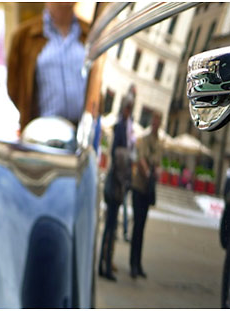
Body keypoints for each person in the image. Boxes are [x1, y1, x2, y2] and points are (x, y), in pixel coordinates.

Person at [7, 3, 89, 131]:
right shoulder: (24, 36)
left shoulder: (89, 32)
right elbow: (14, 87)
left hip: (84, 131)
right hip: (43, 133)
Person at [98, 88, 135, 281]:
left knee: (111, 226)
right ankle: (104, 265)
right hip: (117, 182)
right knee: (110, 225)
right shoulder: (121, 127)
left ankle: (104, 263)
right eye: (128, 107)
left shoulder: (125, 127)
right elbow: (118, 155)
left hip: (119, 181)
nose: (129, 111)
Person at [130, 111, 163, 279]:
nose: (156, 124)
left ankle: (138, 263)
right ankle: (133, 265)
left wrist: (156, 170)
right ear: (152, 122)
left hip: (148, 188)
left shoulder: (159, 142)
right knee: (137, 226)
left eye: (158, 122)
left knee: (142, 227)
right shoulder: (144, 139)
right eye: (154, 121)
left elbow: (158, 162)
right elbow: (142, 160)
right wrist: (149, 171)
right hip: (139, 186)